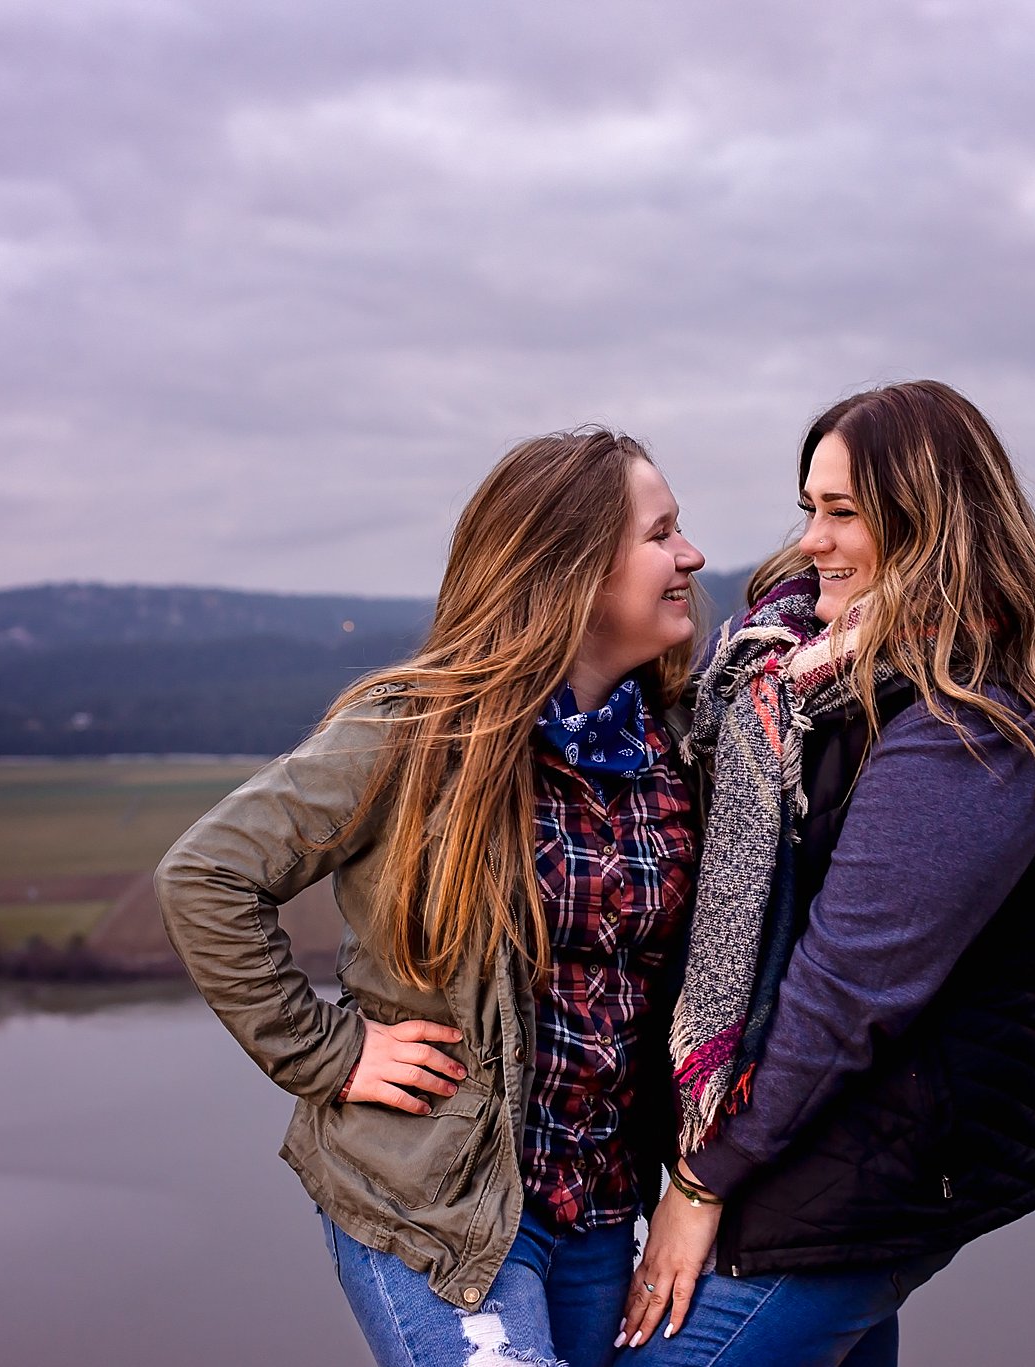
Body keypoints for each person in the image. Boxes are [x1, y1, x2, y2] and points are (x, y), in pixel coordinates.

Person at [157, 428, 707, 1367]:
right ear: (570, 570)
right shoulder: (414, 733)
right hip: (434, 1201)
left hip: (603, 1208)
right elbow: (206, 875)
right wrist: (328, 1053)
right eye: (662, 534)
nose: (690, 554)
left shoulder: (674, 744)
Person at [618, 380, 1035, 1365]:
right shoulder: (779, 672)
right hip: (793, 1154)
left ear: (930, 523)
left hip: (854, 1167)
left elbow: (847, 985)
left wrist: (699, 1182)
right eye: (809, 507)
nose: (812, 539)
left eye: (843, 512)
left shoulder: (967, 725)